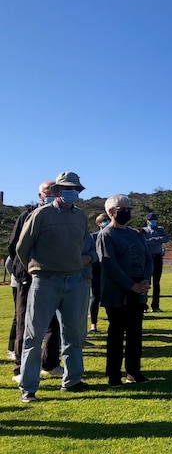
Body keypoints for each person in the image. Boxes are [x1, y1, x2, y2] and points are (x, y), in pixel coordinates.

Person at [15, 172, 92, 402]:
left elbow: (83, 244)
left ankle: (73, 381)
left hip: (74, 280)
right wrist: (35, 270)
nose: (73, 193)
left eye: (76, 190)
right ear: (57, 191)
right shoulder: (40, 215)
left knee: (73, 335)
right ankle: (28, 388)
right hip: (45, 281)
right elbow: (22, 247)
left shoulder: (80, 216)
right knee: (33, 336)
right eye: (68, 188)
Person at [8, 180, 63, 384]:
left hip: (53, 277)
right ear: (40, 195)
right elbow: (14, 246)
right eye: (48, 191)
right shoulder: (27, 215)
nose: (52, 194)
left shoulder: (61, 215)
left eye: (56, 191)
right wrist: (26, 270)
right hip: (29, 277)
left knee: (53, 322)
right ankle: (20, 369)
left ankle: (50, 363)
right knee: (25, 322)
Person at [96, 195, 154, 387]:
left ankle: (134, 371)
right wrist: (131, 285)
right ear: (111, 212)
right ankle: (114, 376)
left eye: (129, 208)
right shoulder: (106, 235)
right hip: (117, 292)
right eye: (123, 208)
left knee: (135, 333)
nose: (128, 211)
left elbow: (148, 258)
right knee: (116, 334)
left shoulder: (135, 234)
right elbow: (109, 265)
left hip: (139, 290)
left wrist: (145, 280)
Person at [141, 212, 169, 313]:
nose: (154, 222)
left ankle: (155, 306)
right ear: (147, 221)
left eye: (155, 221)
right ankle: (143, 305)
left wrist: (154, 239)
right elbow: (143, 241)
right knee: (146, 282)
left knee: (157, 283)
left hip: (158, 258)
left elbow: (166, 238)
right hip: (147, 259)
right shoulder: (144, 230)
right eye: (152, 221)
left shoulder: (160, 229)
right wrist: (156, 240)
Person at [90, 214, 110, 334]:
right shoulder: (93, 237)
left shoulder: (112, 235)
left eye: (107, 220)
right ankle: (93, 325)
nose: (106, 222)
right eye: (103, 221)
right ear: (99, 223)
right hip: (96, 270)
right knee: (96, 297)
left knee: (110, 297)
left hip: (110, 270)